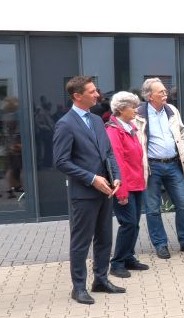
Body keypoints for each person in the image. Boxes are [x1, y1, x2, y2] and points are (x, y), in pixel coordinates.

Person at [53, 76, 124, 305]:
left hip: (106, 191)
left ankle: (101, 279)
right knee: (81, 242)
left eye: (96, 90)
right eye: (92, 91)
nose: (97, 94)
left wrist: (117, 177)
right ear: (77, 96)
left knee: (104, 238)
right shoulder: (65, 124)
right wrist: (92, 178)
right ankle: (79, 287)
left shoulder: (96, 120)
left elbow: (108, 153)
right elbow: (61, 161)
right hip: (84, 194)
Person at [134, 78, 184, 259]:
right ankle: (160, 244)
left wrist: (179, 148)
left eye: (165, 92)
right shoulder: (139, 114)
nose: (166, 95)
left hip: (173, 164)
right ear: (150, 96)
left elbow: (181, 131)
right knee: (153, 208)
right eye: (161, 92)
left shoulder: (172, 110)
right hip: (152, 167)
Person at [105, 91, 149, 278]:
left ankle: (129, 257)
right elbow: (117, 161)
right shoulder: (113, 130)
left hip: (136, 183)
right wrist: (121, 191)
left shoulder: (130, 127)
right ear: (122, 109)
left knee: (135, 224)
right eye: (133, 106)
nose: (136, 110)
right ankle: (117, 263)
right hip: (125, 186)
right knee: (128, 223)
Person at [1, 96, 23, 199]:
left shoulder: (6, 116)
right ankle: (10, 189)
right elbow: (14, 133)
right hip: (13, 147)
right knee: (11, 168)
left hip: (10, 146)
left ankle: (16, 186)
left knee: (14, 168)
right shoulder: (11, 117)